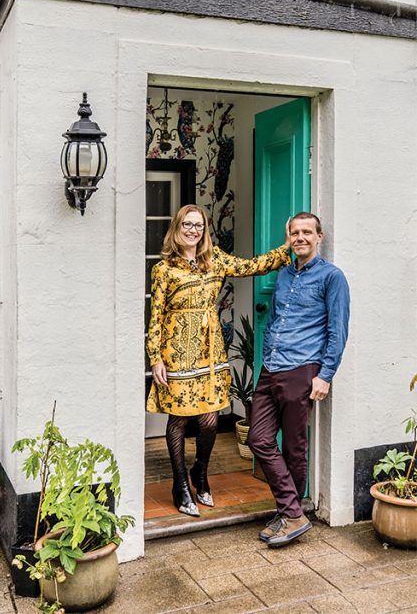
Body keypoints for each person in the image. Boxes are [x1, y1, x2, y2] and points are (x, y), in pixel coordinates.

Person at [147, 205, 291, 517]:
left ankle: (199, 471)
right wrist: (155, 358)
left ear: (204, 229)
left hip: (210, 352)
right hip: (175, 352)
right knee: (178, 418)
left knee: (210, 418)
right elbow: (155, 316)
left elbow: (254, 266)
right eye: (187, 224)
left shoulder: (216, 259)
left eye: (198, 225)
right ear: (177, 228)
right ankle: (179, 484)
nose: (193, 230)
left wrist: (288, 248)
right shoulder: (163, 270)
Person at [249, 212, 349, 547]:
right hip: (271, 366)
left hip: (302, 369)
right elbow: (276, 319)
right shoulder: (283, 276)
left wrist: (326, 375)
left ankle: (289, 513)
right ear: (288, 237)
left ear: (319, 236)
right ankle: (292, 511)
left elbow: (338, 331)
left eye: (307, 232)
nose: (300, 237)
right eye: (294, 232)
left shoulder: (332, 278)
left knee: (294, 447)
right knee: (259, 439)